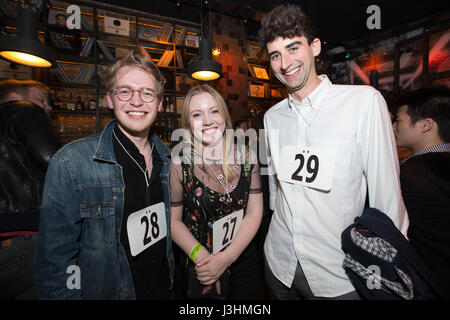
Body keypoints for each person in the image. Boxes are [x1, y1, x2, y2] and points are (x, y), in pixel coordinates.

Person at [258, 4, 409, 300]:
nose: (285, 62)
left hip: (339, 275)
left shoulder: (363, 103)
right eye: (275, 55)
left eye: (293, 48)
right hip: (279, 264)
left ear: (314, 47)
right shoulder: (272, 117)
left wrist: (388, 270)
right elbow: (278, 194)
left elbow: (387, 200)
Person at [34, 51, 174, 299]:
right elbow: (54, 268)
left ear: (160, 103)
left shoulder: (169, 160)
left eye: (147, 93)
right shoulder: (71, 163)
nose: (137, 101)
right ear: (110, 99)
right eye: (125, 91)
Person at [170, 84, 263, 299]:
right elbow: (174, 221)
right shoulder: (179, 163)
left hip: (243, 259)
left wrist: (227, 258)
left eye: (214, 111)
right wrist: (203, 259)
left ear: (224, 115)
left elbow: (254, 213)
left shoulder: (247, 157)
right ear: (188, 123)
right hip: (200, 265)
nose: (208, 120)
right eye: (197, 114)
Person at [0, 80, 58, 299]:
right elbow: (52, 161)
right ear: (15, 97)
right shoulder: (22, 109)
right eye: (40, 99)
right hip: (25, 228)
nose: (47, 106)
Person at [393, 87, 450, 298]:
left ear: (426, 125)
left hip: (428, 282)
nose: (393, 126)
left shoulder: (409, 176)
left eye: (398, 120)